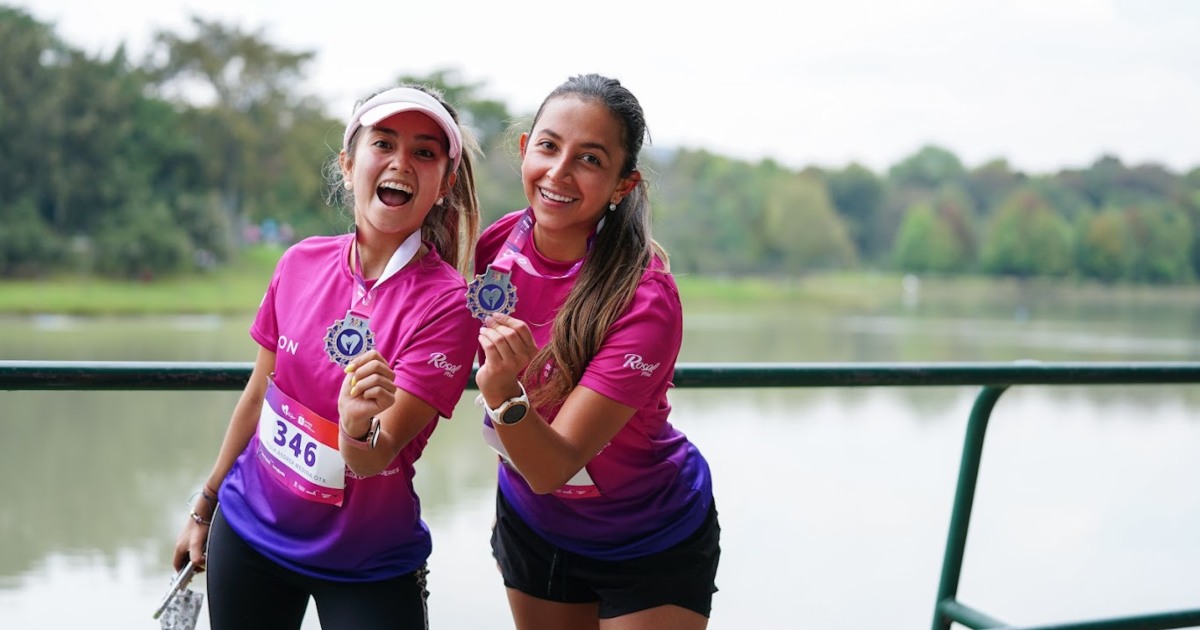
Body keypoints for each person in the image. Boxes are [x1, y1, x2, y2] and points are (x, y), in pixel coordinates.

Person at [172, 84, 481, 629]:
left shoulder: (448, 304)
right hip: (249, 538)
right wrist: (206, 503)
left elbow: (370, 459)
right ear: (348, 163)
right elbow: (257, 398)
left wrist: (356, 428)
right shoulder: (299, 262)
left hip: (368, 564)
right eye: (383, 143)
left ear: (445, 183)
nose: (401, 163)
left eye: (424, 152)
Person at [471, 74, 720, 630]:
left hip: (650, 536)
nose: (559, 173)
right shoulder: (491, 248)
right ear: (523, 150)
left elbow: (554, 466)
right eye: (548, 146)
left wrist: (504, 395)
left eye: (589, 159)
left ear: (621, 184)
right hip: (534, 526)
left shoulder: (645, 298)